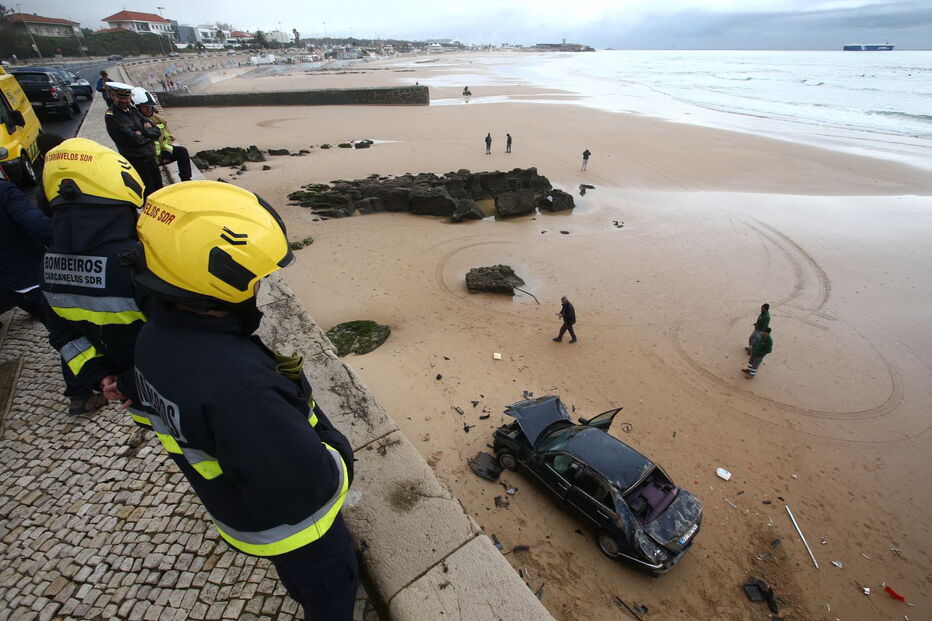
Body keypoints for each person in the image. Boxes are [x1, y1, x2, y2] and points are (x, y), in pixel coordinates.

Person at [131, 181, 357, 620]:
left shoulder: (152, 340)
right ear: (219, 280)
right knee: (330, 591)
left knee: (300, 580)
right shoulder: (239, 388)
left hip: (240, 509)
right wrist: (340, 454)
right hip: (297, 528)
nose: (261, 287)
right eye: (256, 279)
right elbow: (308, 487)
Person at [39, 138, 151, 420]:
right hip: (171, 391)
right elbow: (182, 337)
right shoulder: (141, 262)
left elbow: (63, 335)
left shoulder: (48, 267)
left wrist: (100, 375)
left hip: (132, 399)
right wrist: (130, 382)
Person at [0, 178, 106, 415]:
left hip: (9, 288)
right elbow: (40, 228)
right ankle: (80, 394)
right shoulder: (4, 191)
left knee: (53, 323)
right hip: (31, 277)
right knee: (70, 331)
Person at [104, 81, 163, 199]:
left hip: (150, 158)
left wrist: (142, 132)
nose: (124, 101)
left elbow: (157, 131)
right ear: (113, 96)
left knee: (160, 192)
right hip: (137, 161)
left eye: (127, 97)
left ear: (131, 97)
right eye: (120, 97)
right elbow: (134, 140)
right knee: (148, 196)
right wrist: (147, 133)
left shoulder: (133, 111)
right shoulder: (112, 117)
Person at [131, 88, 192, 182]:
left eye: (150, 106)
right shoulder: (133, 121)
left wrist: (166, 152)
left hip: (160, 155)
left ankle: (186, 180)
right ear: (138, 107)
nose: (149, 109)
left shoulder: (159, 119)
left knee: (182, 151)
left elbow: (168, 137)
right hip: (147, 158)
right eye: (145, 107)